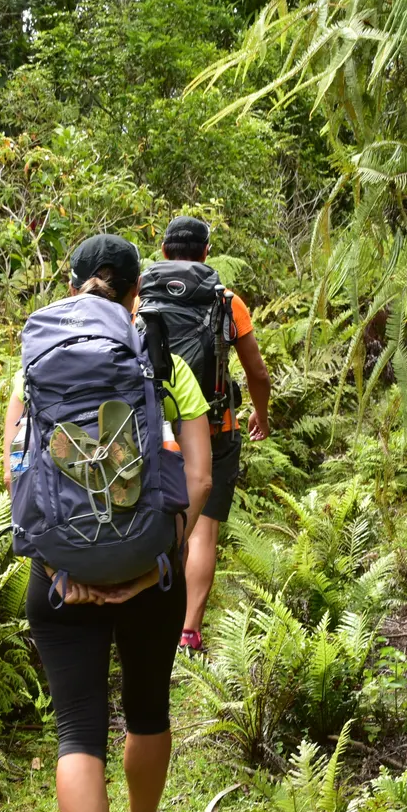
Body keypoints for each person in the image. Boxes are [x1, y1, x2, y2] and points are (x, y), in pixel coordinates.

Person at [2, 233, 213, 812]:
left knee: (76, 730)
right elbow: (196, 483)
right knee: (148, 707)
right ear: (135, 294)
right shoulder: (166, 363)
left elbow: (18, 477)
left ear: (71, 285)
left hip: (60, 578)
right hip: (148, 572)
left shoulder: (33, 368)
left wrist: (65, 565)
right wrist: (150, 559)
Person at [138, 216, 271, 654]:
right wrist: (261, 416)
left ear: (162, 251)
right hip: (215, 428)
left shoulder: (139, 301)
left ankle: (146, 615)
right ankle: (189, 632)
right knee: (203, 533)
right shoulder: (226, 302)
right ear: (206, 253)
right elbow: (257, 372)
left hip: (156, 428)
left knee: (153, 521)